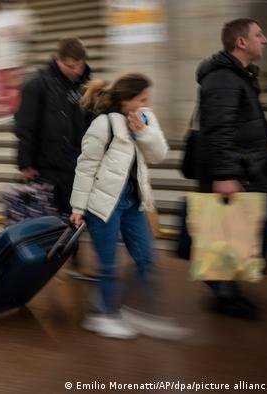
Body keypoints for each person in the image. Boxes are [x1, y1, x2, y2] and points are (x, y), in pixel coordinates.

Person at [70, 74, 187, 340]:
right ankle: (103, 315)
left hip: (134, 202)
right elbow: (85, 168)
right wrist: (78, 207)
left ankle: (143, 311)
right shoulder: (103, 124)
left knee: (147, 257)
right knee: (109, 264)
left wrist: (143, 133)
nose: (147, 104)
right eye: (142, 99)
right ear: (126, 100)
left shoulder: (145, 118)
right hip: (103, 205)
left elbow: (159, 155)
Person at [195, 19, 267, 318]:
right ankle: (225, 295)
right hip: (235, 170)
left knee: (237, 231)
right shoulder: (224, 79)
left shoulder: (239, 75)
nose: (264, 40)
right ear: (241, 42)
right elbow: (218, 129)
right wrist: (225, 174)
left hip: (249, 167)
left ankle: (227, 291)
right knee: (228, 232)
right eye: (258, 35)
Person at [15, 37, 93, 279]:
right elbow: (25, 125)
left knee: (74, 213)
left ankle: (72, 259)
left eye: (79, 65)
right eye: (70, 66)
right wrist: (26, 162)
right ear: (58, 60)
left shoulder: (86, 85)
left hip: (77, 163)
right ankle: (50, 261)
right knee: (53, 215)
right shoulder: (37, 85)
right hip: (47, 164)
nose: (76, 71)